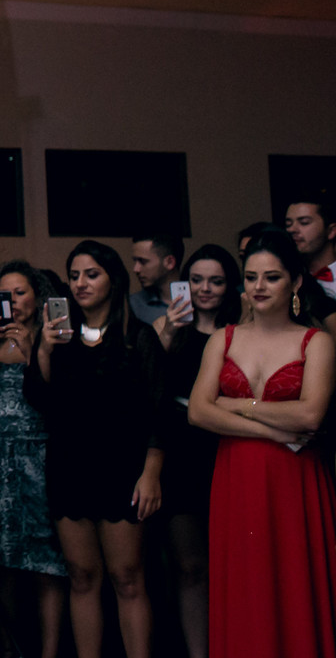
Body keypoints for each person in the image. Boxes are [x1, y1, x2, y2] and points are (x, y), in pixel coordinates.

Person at [188, 227, 336, 658]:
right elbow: (198, 412)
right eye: (251, 277)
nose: (258, 287)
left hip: (294, 480)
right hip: (238, 477)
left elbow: (310, 414)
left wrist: (234, 405)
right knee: (247, 587)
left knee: (293, 583)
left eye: (271, 277)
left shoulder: (317, 342)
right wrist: (273, 429)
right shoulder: (223, 338)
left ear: (296, 281)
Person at [28, 240, 164, 658]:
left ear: (113, 279)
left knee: (126, 577)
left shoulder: (137, 337)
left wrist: (151, 472)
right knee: (82, 576)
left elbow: (159, 412)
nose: (81, 283)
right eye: (74, 275)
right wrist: (46, 348)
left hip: (122, 469)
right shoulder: (58, 336)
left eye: (92, 274)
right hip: (70, 467)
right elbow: (37, 398)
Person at [0, 260, 66, 658]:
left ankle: (50, 651)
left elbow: (52, 394)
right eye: (3, 295)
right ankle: (8, 648)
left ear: (37, 295)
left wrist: (31, 347)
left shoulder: (49, 336)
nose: (12, 301)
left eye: (20, 292)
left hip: (35, 453)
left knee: (45, 560)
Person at [150, 244, 241, 658]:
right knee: (189, 566)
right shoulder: (166, 326)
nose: (205, 289)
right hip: (179, 455)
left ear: (229, 286)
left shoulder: (242, 330)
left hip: (230, 448)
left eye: (216, 281)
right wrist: (168, 328)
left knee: (234, 562)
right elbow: (148, 387)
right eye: (198, 280)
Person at [285, 191, 336, 298]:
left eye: (304, 222)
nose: (292, 229)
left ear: (331, 231)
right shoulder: (286, 277)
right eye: (288, 224)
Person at [129, 233, 183, 325]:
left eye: (143, 261)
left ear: (169, 262)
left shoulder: (201, 299)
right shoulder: (133, 304)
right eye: (135, 261)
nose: (136, 269)